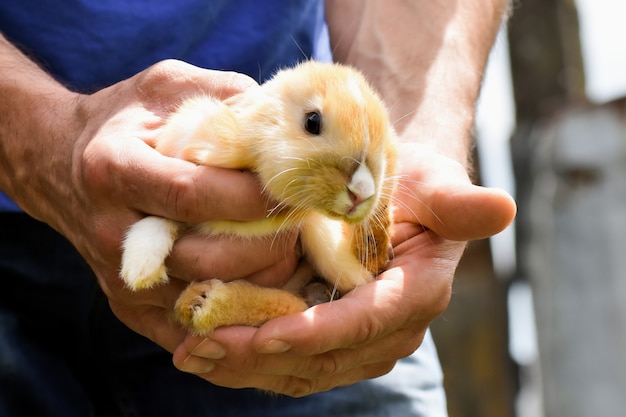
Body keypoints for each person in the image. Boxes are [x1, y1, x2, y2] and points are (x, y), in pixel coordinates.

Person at [0, 1, 516, 416]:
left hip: (280, 270)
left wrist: (414, 146)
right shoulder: (224, 131)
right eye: (313, 128)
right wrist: (35, 135)